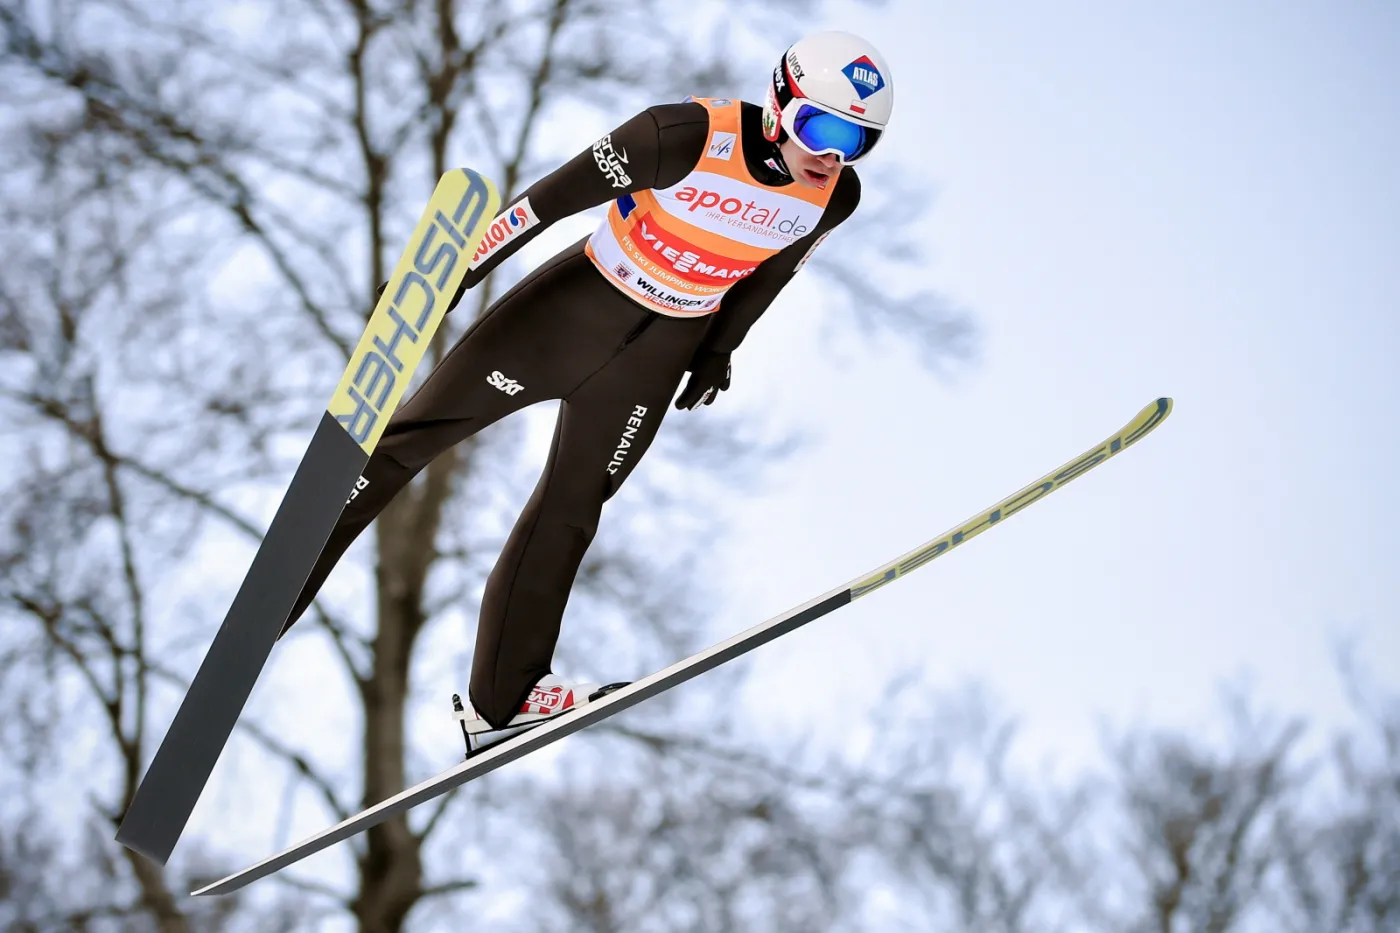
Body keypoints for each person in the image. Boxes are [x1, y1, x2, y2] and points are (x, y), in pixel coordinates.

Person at [277, 30, 895, 736]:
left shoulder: (833, 198)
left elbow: (772, 275)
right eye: (821, 126)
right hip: (572, 309)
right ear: (783, 99)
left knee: (572, 509)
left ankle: (501, 702)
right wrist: (453, 274)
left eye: (855, 142)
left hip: (658, 354)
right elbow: (545, 203)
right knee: (414, 436)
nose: (829, 154)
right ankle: (282, 586)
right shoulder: (682, 135)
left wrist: (720, 349)